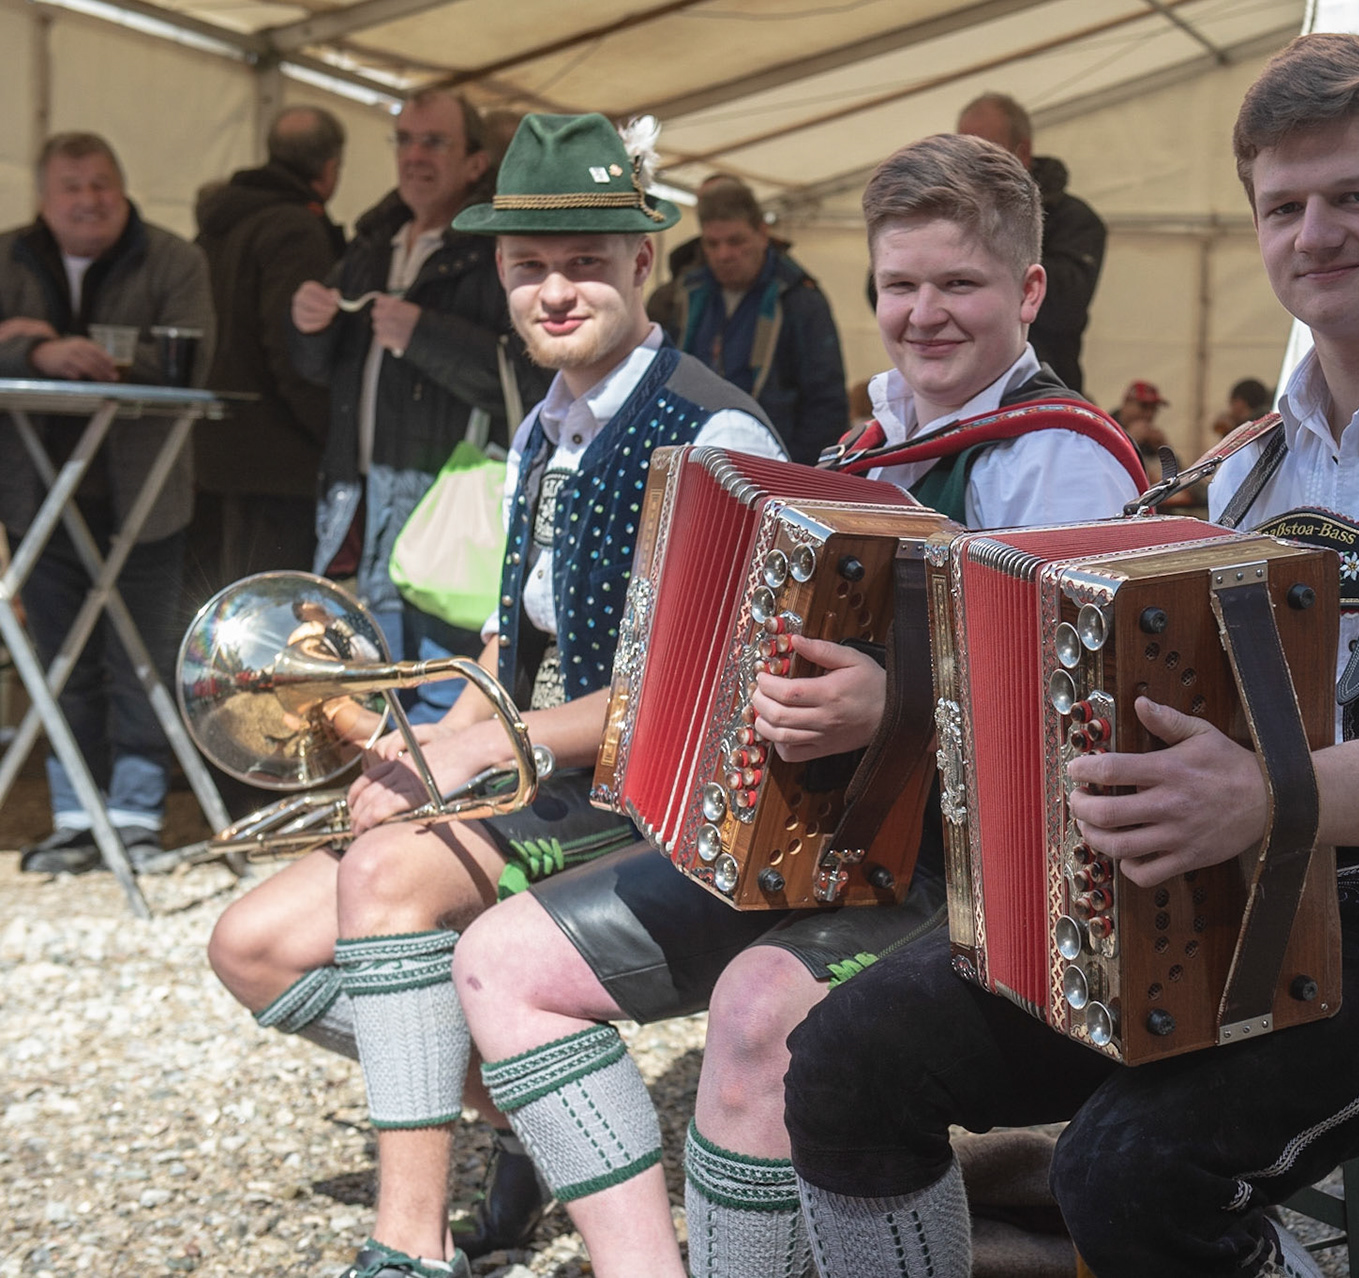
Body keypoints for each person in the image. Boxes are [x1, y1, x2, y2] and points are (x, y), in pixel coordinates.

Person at [782, 33, 1359, 1278]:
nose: (1316, 235)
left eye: (1356, 196)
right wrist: (920, 708)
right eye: (1283, 207)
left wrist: (1261, 795)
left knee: (1131, 1171)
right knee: (851, 1057)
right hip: (1254, 864)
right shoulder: (1251, 461)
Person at [449, 131, 1142, 1278]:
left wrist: (901, 707)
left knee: (756, 1006)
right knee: (503, 962)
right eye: (900, 285)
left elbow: (1095, 730)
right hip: (827, 842)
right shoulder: (867, 450)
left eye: (959, 284)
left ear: (1028, 290)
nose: (925, 313)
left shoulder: (1066, 466)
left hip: (989, 879)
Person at [205, 112, 785, 1278]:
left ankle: (405, 1244)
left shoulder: (715, 431)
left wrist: (474, 754)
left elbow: (703, 693)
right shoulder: (539, 426)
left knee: (384, 877)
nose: (554, 289)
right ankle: (544, 1118)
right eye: (529, 267)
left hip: (654, 792)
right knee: (250, 944)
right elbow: (503, 648)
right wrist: (426, 738)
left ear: (639, 261)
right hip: (541, 765)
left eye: (583, 261)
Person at [290, 88, 546, 720]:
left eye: (434, 141)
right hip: (359, 504)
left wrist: (424, 335)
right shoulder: (374, 243)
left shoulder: (498, 251)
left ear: (474, 163)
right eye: (404, 140)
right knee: (365, 697)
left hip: (446, 510)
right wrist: (308, 326)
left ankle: (434, 814)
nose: (414, 155)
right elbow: (315, 373)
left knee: (439, 697)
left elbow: (527, 378)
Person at [0, 132, 215, 875]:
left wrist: (80, 348)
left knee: (143, 659)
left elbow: (194, 354)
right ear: (43, 199)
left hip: (145, 493)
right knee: (61, 662)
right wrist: (30, 354)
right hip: (37, 498)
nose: (88, 199)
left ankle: (134, 815)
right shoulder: (8, 256)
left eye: (102, 184)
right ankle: (73, 817)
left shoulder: (174, 258)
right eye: (72, 187)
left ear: (123, 190)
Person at [194, 105, 348, 588]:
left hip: (214, 456)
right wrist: (333, 435)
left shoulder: (220, 223)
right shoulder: (294, 228)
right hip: (279, 462)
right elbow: (292, 350)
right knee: (271, 624)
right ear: (330, 168)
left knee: (225, 614)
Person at [674, 178, 849, 464]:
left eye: (736, 241)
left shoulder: (799, 300)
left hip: (772, 466)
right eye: (712, 244)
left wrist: (797, 479)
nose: (724, 254)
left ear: (762, 234)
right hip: (695, 458)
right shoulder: (685, 295)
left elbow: (825, 404)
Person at [958, 91, 1106, 394]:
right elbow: (883, 292)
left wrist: (990, 235)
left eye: (985, 151)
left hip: (1040, 394)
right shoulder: (945, 217)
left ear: (1022, 152)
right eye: (962, 152)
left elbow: (1064, 306)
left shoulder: (1074, 220)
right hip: (958, 392)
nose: (970, 167)